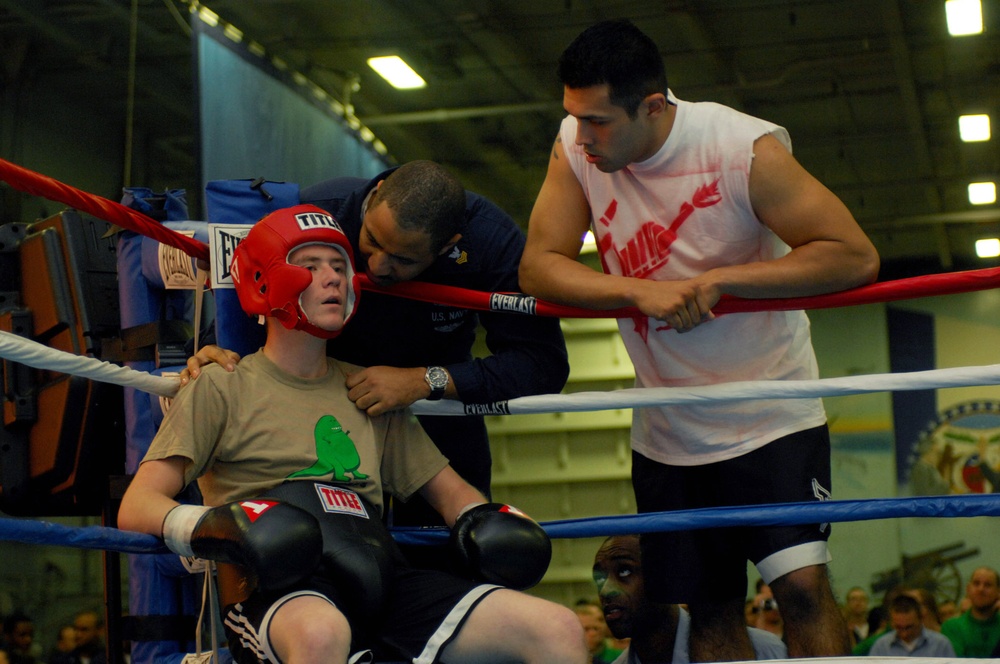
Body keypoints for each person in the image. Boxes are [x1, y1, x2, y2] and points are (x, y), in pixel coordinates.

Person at [518, 18, 880, 661]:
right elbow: (540, 264)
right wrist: (636, 290)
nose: (582, 135)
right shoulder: (575, 147)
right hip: (667, 428)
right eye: (574, 116)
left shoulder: (741, 148)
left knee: (801, 591)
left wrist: (720, 280)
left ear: (653, 106)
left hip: (770, 412)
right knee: (709, 608)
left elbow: (853, 256)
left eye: (598, 120)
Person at [118, 205, 586, 664]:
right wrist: (218, 525)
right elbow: (137, 505)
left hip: (382, 578)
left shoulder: (367, 389)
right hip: (280, 586)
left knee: (556, 628)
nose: (333, 277)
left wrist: (489, 521)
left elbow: (454, 497)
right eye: (311, 266)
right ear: (265, 279)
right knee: (323, 633)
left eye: (340, 266)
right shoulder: (223, 383)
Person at [186, 160, 570, 534]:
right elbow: (258, 289)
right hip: (324, 404)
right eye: (371, 240)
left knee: (453, 547)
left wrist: (425, 381)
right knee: (315, 542)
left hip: (435, 406)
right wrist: (215, 349)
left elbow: (542, 363)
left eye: (403, 259)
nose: (378, 266)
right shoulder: (320, 212)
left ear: (448, 245)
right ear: (375, 196)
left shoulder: (488, 240)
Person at [592, 534, 787, 664]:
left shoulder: (762, 650)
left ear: (667, 577)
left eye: (624, 571)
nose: (606, 590)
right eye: (600, 578)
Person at [869, 594, 955, 657]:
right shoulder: (881, 647)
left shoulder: (940, 645)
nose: (904, 634)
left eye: (909, 627)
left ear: (921, 619)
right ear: (891, 623)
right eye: (898, 627)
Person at [941, 566, 1000, 657]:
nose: (981, 589)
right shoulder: (952, 627)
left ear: (998, 592)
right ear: (968, 589)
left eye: (988, 585)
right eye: (976, 584)